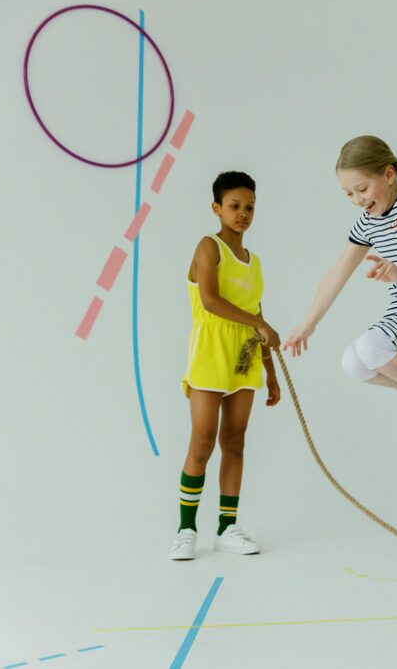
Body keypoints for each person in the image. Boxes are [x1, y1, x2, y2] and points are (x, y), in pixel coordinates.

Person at [284, 136, 397, 452]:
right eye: (348, 193)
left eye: (362, 189)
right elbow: (335, 275)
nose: (357, 199)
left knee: (371, 347)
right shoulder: (367, 223)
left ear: (388, 174)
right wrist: (308, 324)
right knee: (353, 363)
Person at [170, 171, 281, 561]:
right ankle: (186, 529)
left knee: (234, 442)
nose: (243, 213)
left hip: (244, 358)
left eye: (249, 207)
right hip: (210, 353)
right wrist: (258, 324)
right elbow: (211, 301)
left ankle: (226, 527)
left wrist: (271, 373)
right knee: (201, 441)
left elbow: (257, 313)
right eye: (234, 206)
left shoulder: (254, 262)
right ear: (217, 208)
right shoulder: (208, 247)